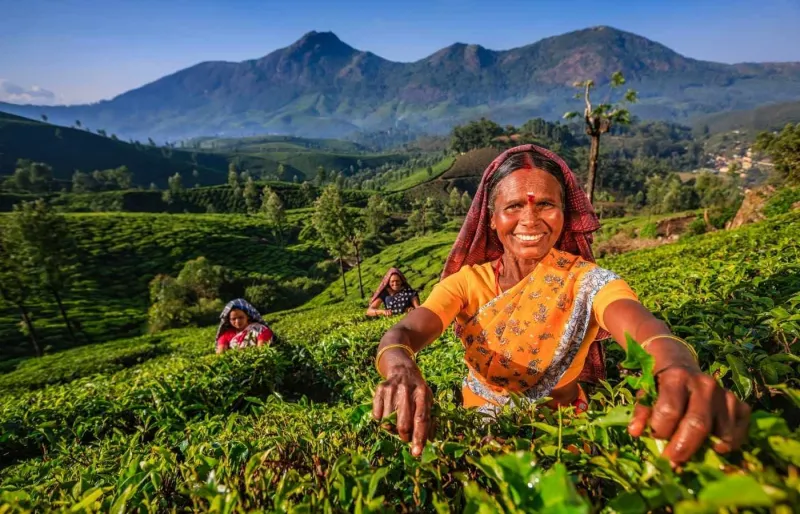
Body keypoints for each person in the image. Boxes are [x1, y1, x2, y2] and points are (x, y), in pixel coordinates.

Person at [371, 144, 751, 466]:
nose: (530, 220)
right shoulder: (468, 283)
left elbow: (642, 326)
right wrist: (401, 366)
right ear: (491, 219)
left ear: (565, 214)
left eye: (546, 205)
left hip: (567, 433)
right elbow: (403, 332)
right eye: (514, 206)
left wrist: (674, 364)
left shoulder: (586, 280)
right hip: (481, 428)